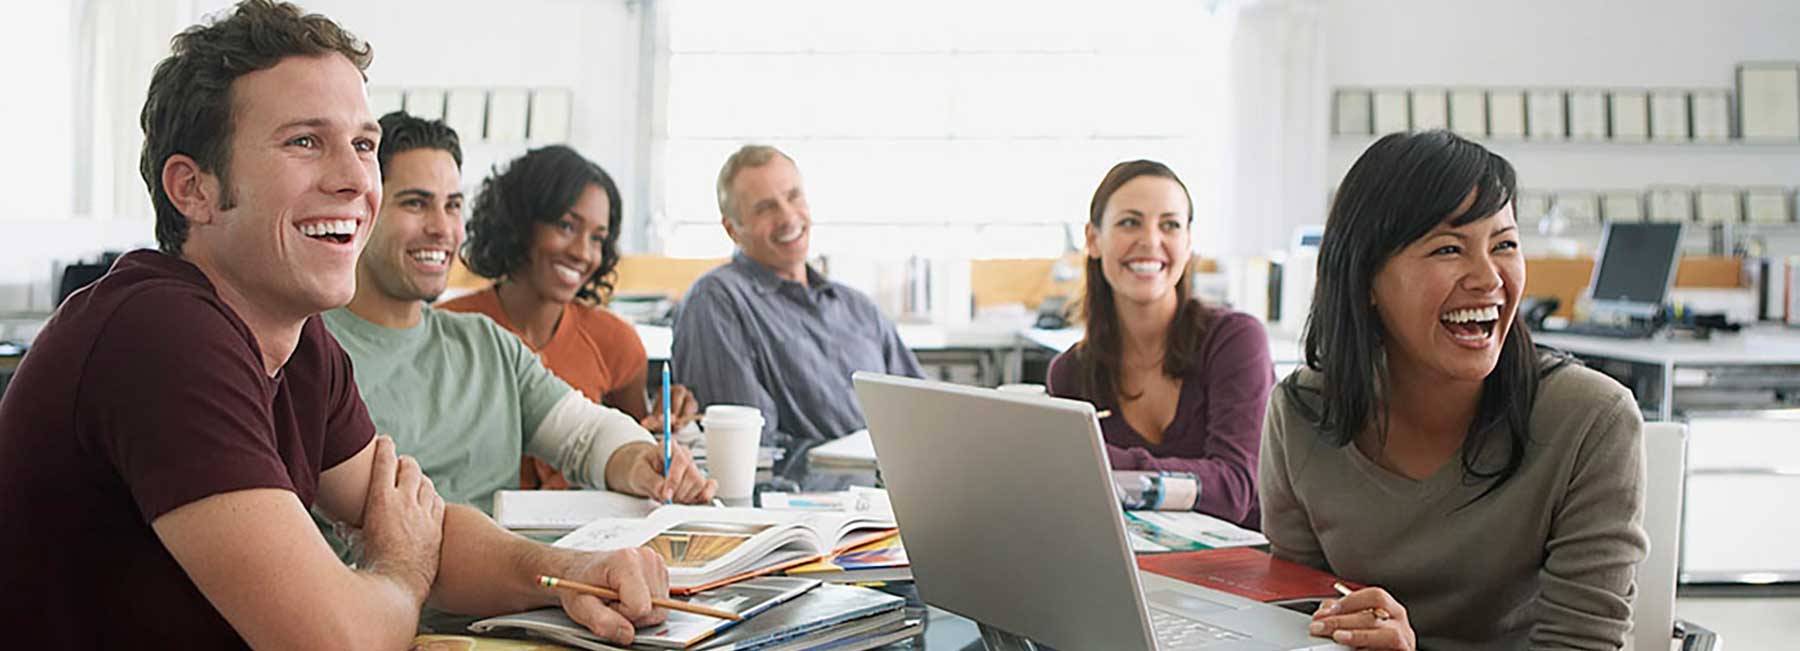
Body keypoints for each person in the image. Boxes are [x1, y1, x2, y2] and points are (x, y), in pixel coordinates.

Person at [0, 3, 668, 646]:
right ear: (193, 189)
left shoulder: (300, 342)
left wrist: (566, 576)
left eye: (363, 144)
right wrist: (400, 569)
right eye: (304, 142)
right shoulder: (160, 333)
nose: (356, 179)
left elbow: (418, 524)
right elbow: (338, 638)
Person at [1261, 130, 1646, 651]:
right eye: (1448, 248)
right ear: (1366, 279)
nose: (1488, 278)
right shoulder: (1301, 414)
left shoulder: (1591, 421)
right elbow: (1295, 623)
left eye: (1504, 244)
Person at [328, 114, 714, 512]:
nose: (442, 228)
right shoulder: (306, 353)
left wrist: (639, 460)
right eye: (415, 203)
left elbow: (586, 433)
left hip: (511, 567)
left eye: (453, 205)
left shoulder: (487, 343)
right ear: (363, 207)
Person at [439, 145, 699, 491]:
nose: (582, 253)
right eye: (565, 226)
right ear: (519, 224)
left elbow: (636, 453)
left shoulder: (614, 340)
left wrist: (667, 426)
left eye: (597, 239)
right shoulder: (448, 330)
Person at [672, 145, 923, 475]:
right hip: (810, 509)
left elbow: (924, 412)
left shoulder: (858, 307)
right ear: (733, 229)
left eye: (793, 196)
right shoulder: (718, 301)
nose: (788, 216)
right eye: (765, 208)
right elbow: (753, 446)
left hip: (895, 494)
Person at [1046, 161, 1270, 530]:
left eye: (1170, 225)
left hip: (1244, 570)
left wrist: (1100, 462)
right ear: (1093, 238)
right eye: (1130, 222)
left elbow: (1234, 489)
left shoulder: (1235, 341)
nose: (1151, 241)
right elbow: (1078, 497)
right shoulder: (1071, 373)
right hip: (1135, 569)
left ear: (1188, 242)